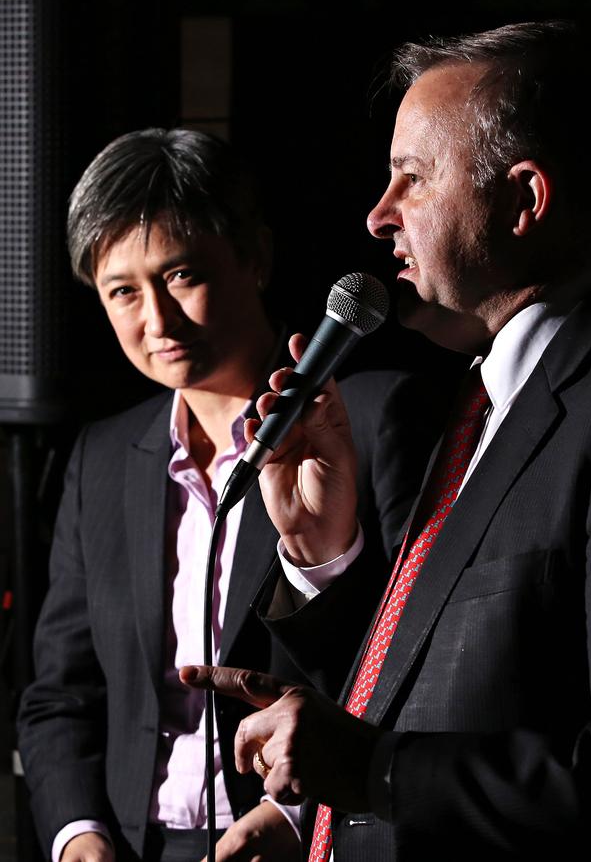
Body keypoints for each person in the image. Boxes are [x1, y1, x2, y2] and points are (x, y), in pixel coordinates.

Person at [182, 18, 591, 859]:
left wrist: (379, 773)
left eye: (412, 180)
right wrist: (325, 550)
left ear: (524, 200)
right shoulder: (480, 402)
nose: (377, 215)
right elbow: (438, 689)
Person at [16, 128, 436, 862]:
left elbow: (418, 671)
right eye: (123, 291)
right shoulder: (104, 455)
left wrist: (299, 814)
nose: (156, 320)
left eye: (181, 276)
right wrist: (77, 834)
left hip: (307, 839)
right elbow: (60, 694)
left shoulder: (375, 419)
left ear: (256, 258)